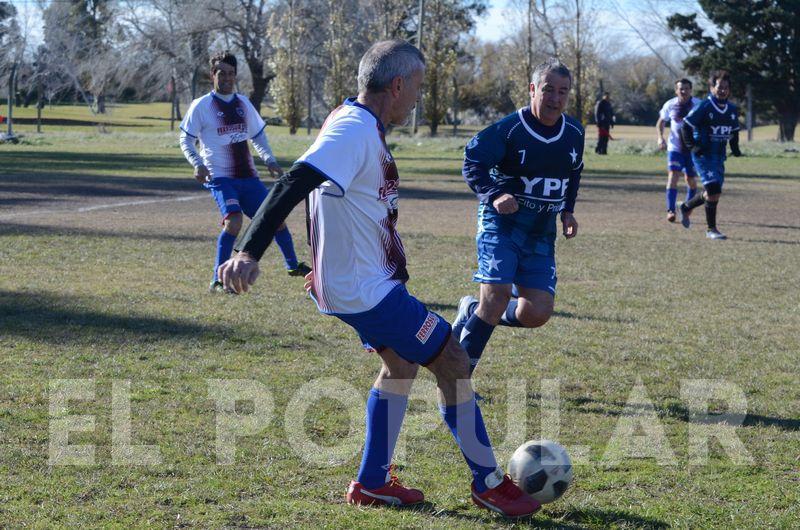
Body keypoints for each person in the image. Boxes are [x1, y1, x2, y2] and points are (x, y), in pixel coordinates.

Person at [217, 40, 540, 518]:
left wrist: (325, 269)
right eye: (417, 87)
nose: (418, 98)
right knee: (452, 359)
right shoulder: (352, 129)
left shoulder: (354, 122)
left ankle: (371, 483)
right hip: (365, 291)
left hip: (361, 283)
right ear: (397, 85)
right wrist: (248, 251)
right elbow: (295, 183)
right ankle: (488, 483)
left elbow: (332, 200)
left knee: (400, 367)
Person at [452, 58, 583, 383]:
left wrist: (568, 210)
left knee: (536, 312)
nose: (555, 99)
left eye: (563, 92)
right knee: (495, 297)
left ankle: (471, 312)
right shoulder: (510, 129)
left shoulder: (575, 132)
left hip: (541, 235)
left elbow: (574, 171)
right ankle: (457, 380)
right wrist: (495, 194)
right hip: (502, 226)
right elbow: (472, 161)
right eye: (548, 90)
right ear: (532, 90)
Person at [179, 51, 310, 292]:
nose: (227, 78)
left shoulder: (243, 104)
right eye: (221, 73)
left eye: (231, 74)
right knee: (234, 222)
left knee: (275, 218)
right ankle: (218, 279)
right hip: (220, 177)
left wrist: (269, 159)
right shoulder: (201, 106)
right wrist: (197, 163)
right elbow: (185, 140)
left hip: (248, 177)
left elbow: (258, 135)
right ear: (213, 75)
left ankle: (292, 265)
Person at [679, 70, 742, 240]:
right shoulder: (705, 106)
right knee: (713, 189)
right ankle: (711, 229)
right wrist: (692, 146)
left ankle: (686, 207)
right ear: (712, 87)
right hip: (703, 155)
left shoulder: (731, 109)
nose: (722, 90)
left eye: (726, 88)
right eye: (719, 87)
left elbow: (734, 131)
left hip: (719, 156)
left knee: (713, 193)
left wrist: (735, 149)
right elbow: (686, 126)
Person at [656, 79, 702, 222]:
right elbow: (661, 122)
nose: (684, 91)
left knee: (691, 181)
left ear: (691, 90)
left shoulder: (699, 105)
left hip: (692, 149)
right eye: (681, 89)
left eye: (686, 88)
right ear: (676, 90)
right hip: (675, 148)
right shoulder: (670, 104)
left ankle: (687, 208)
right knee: (673, 177)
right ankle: (671, 210)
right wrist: (660, 138)